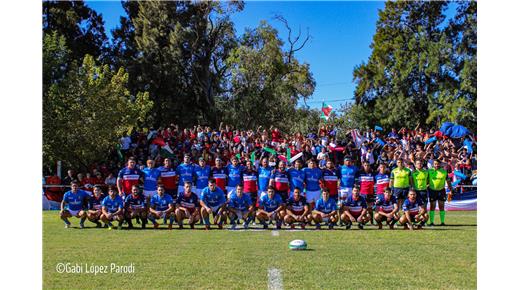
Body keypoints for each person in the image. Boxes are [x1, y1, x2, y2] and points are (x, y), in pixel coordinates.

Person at [428, 159, 453, 226]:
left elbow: (448, 181)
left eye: (438, 164)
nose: (436, 165)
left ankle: (442, 222)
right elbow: (426, 180)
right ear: (433, 164)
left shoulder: (444, 172)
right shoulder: (429, 171)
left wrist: (450, 189)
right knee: (432, 207)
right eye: (435, 164)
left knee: (441, 206)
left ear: (440, 164)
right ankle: (431, 222)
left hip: (441, 191)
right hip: (432, 190)